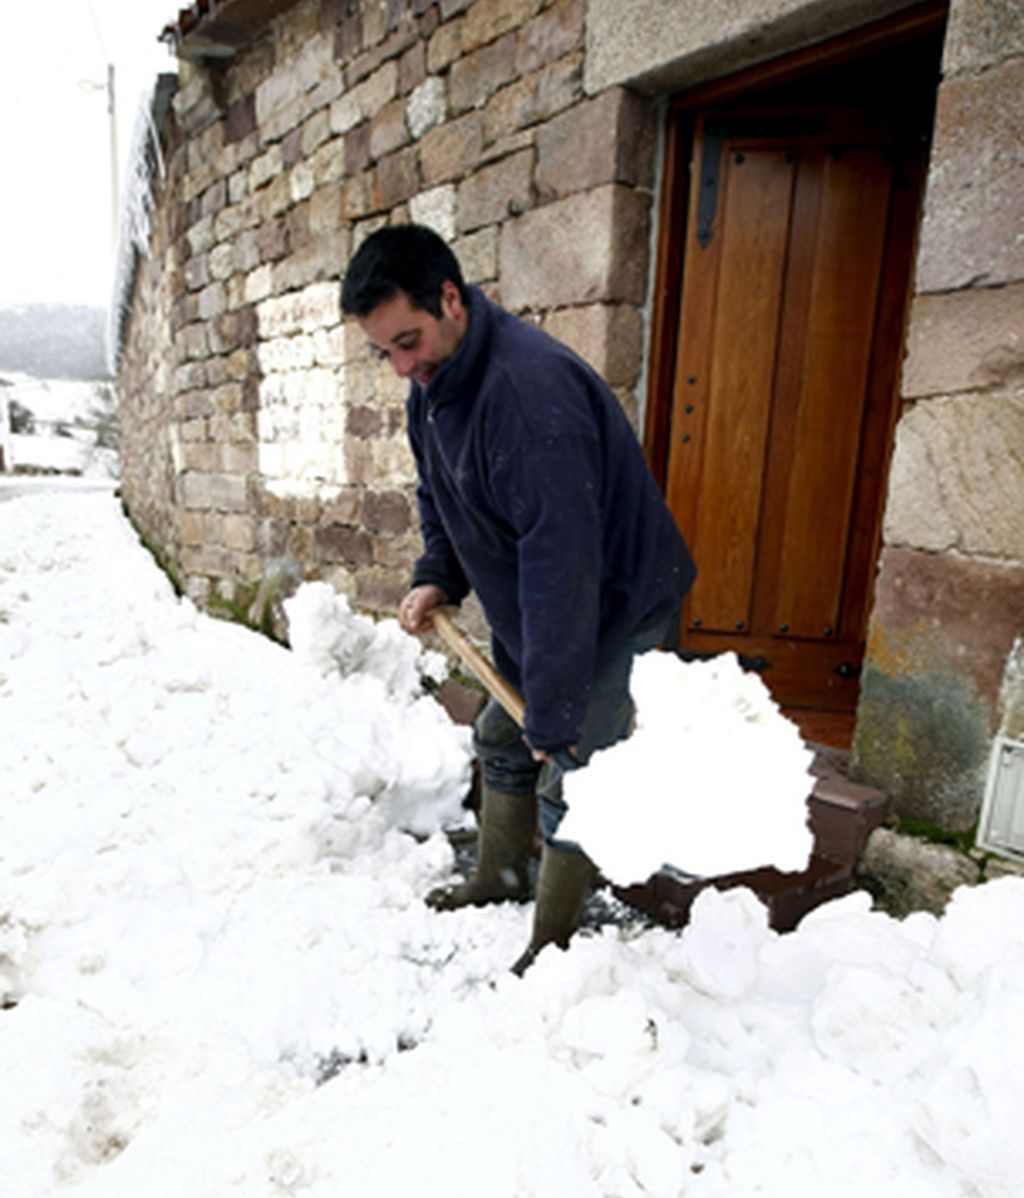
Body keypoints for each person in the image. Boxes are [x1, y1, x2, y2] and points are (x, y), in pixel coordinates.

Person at [341, 224, 695, 973]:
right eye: (386, 352)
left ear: (450, 298)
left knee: (576, 770)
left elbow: (561, 564)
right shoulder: (434, 387)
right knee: (505, 738)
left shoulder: (528, 396)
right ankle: (501, 878)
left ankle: (554, 944)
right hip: (548, 606)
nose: (402, 366)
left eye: (408, 340)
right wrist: (439, 571)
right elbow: (440, 494)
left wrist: (558, 708)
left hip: (614, 607)